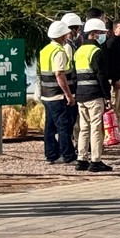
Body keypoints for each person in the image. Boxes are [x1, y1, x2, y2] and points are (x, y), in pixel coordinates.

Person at [74, 19, 113, 172]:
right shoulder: (96, 52)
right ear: (94, 34)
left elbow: (75, 76)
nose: (104, 35)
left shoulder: (79, 51)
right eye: (101, 33)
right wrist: (107, 96)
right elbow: (101, 76)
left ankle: (81, 159)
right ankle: (96, 160)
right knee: (96, 128)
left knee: (84, 128)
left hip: (81, 95)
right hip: (94, 95)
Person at [40, 21, 76, 165]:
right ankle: (68, 156)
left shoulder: (45, 50)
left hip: (46, 94)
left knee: (49, 127)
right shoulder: (59, 52)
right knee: (64, 126)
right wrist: (68, 94)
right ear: (62, 36)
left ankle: (51, 155)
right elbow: (59, 74)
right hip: (58, 95)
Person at [60, 12, 84, 142]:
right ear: (73, 29)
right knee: (71, 118)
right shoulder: (68, 47)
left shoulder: (72, 44)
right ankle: (73, 143)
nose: (78, 32)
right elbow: (68, 68)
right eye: (78, 29)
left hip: (70, 85)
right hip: (70, 85)